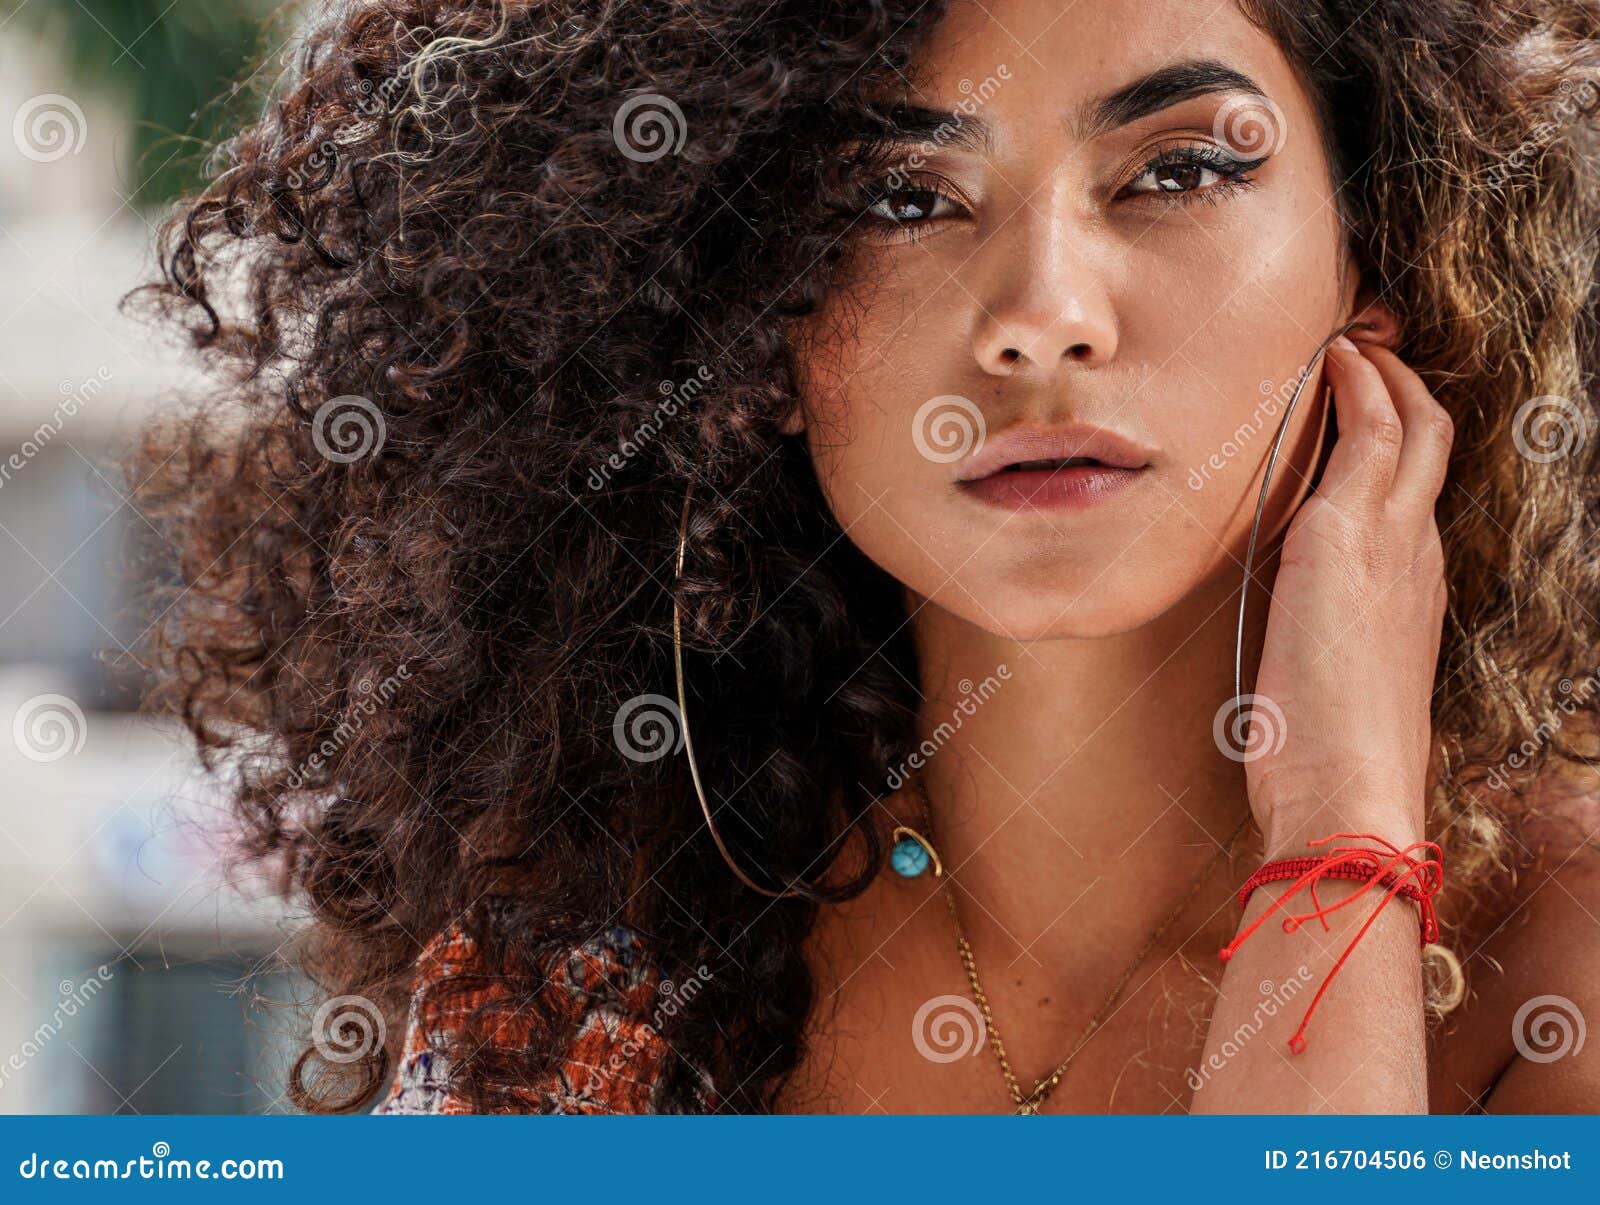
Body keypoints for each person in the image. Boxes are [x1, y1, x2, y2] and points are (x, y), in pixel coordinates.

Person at [130, 0, 1600, 1114]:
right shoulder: (602, 968)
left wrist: (1339, 839)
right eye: (901, 199)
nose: (1041, 315)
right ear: (756, 331)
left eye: (1177, 171)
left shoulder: (1562, 953)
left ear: (1381, 260)